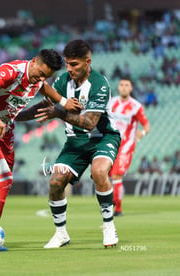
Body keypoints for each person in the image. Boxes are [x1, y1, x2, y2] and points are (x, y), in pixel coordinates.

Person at [0, 48, 82, 246]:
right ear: (34, 61)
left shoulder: (39, 80)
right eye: (40, 73)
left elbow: (43, 87)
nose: (41, 78)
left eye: (46, 76)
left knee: (0, 180)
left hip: (5, 132)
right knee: (4, 179)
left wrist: (62, 102)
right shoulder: (13, 71)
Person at [17, 40, 120, 248]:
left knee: (100, 172)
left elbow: (91, 123)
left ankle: (109, 227)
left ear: (87, 62)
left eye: (74, 64)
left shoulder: (100, 84)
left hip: (103, 137)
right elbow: (45, 105)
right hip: (75, 141)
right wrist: (13, 117)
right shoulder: (63, 82)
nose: (69, 69)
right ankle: (61, 234)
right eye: (67, 64)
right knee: (55, 182)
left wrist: (60, 113)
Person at [108, 78, 150, 216]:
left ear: (131, 88)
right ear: (118, 87)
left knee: (116, 175)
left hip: (126, 145)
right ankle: (111, 203)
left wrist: (142, 133)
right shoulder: (111, 103)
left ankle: (117, 209)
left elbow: (146, 125)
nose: (124, 87)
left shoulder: (136, 106)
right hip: (110, 143)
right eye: (121, 85)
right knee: (105, 175)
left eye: (127, 85)